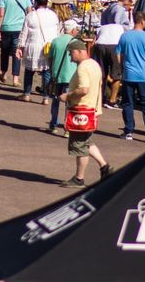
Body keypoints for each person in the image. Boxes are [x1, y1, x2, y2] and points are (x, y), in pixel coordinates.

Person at [59, 39, 111, 186]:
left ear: (79, 51)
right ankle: (105, 167)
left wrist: (67, 96)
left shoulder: (83, 67)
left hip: (81, 111)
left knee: (80, 145)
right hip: (92, 109)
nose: (70, 57)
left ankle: (79, 178)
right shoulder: (94, 64)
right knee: (87, 142)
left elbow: (84, 89)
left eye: (71, 53)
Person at [117, 12, 145, 141]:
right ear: (143, 21)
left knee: (127, 103)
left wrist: (121, 68)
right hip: (143, 75)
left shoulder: (125, 36)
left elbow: (118, 54)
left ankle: (128, 130)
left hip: (128, 74)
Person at [15, 0, 61, 104]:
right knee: (46, 71)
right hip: (48, 46)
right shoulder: (53, 15)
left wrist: (20, 47)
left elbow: (24, 32)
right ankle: (46, 97)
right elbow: (58, 31)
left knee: (29, 71)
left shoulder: (31, 15)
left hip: (33, 45)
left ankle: (27, 93)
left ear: (36, 2)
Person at [45, 19, 81, 134]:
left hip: (57, 75)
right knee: (68, 103)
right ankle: (67, 127)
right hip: (70, 77)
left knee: (55, 101)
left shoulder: (55, 41)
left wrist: (52, 71)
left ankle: (53, 124)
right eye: (76, 29)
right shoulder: (76, 43)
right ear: (72, 30)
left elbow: (50, 58)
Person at [0, 0, 31, 86]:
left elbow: (1, 14)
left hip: (6, 27)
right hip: (19, 28)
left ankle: (3, 72)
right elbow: (29, 11)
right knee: (17, 53)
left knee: (5, 52)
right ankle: (15, 78)